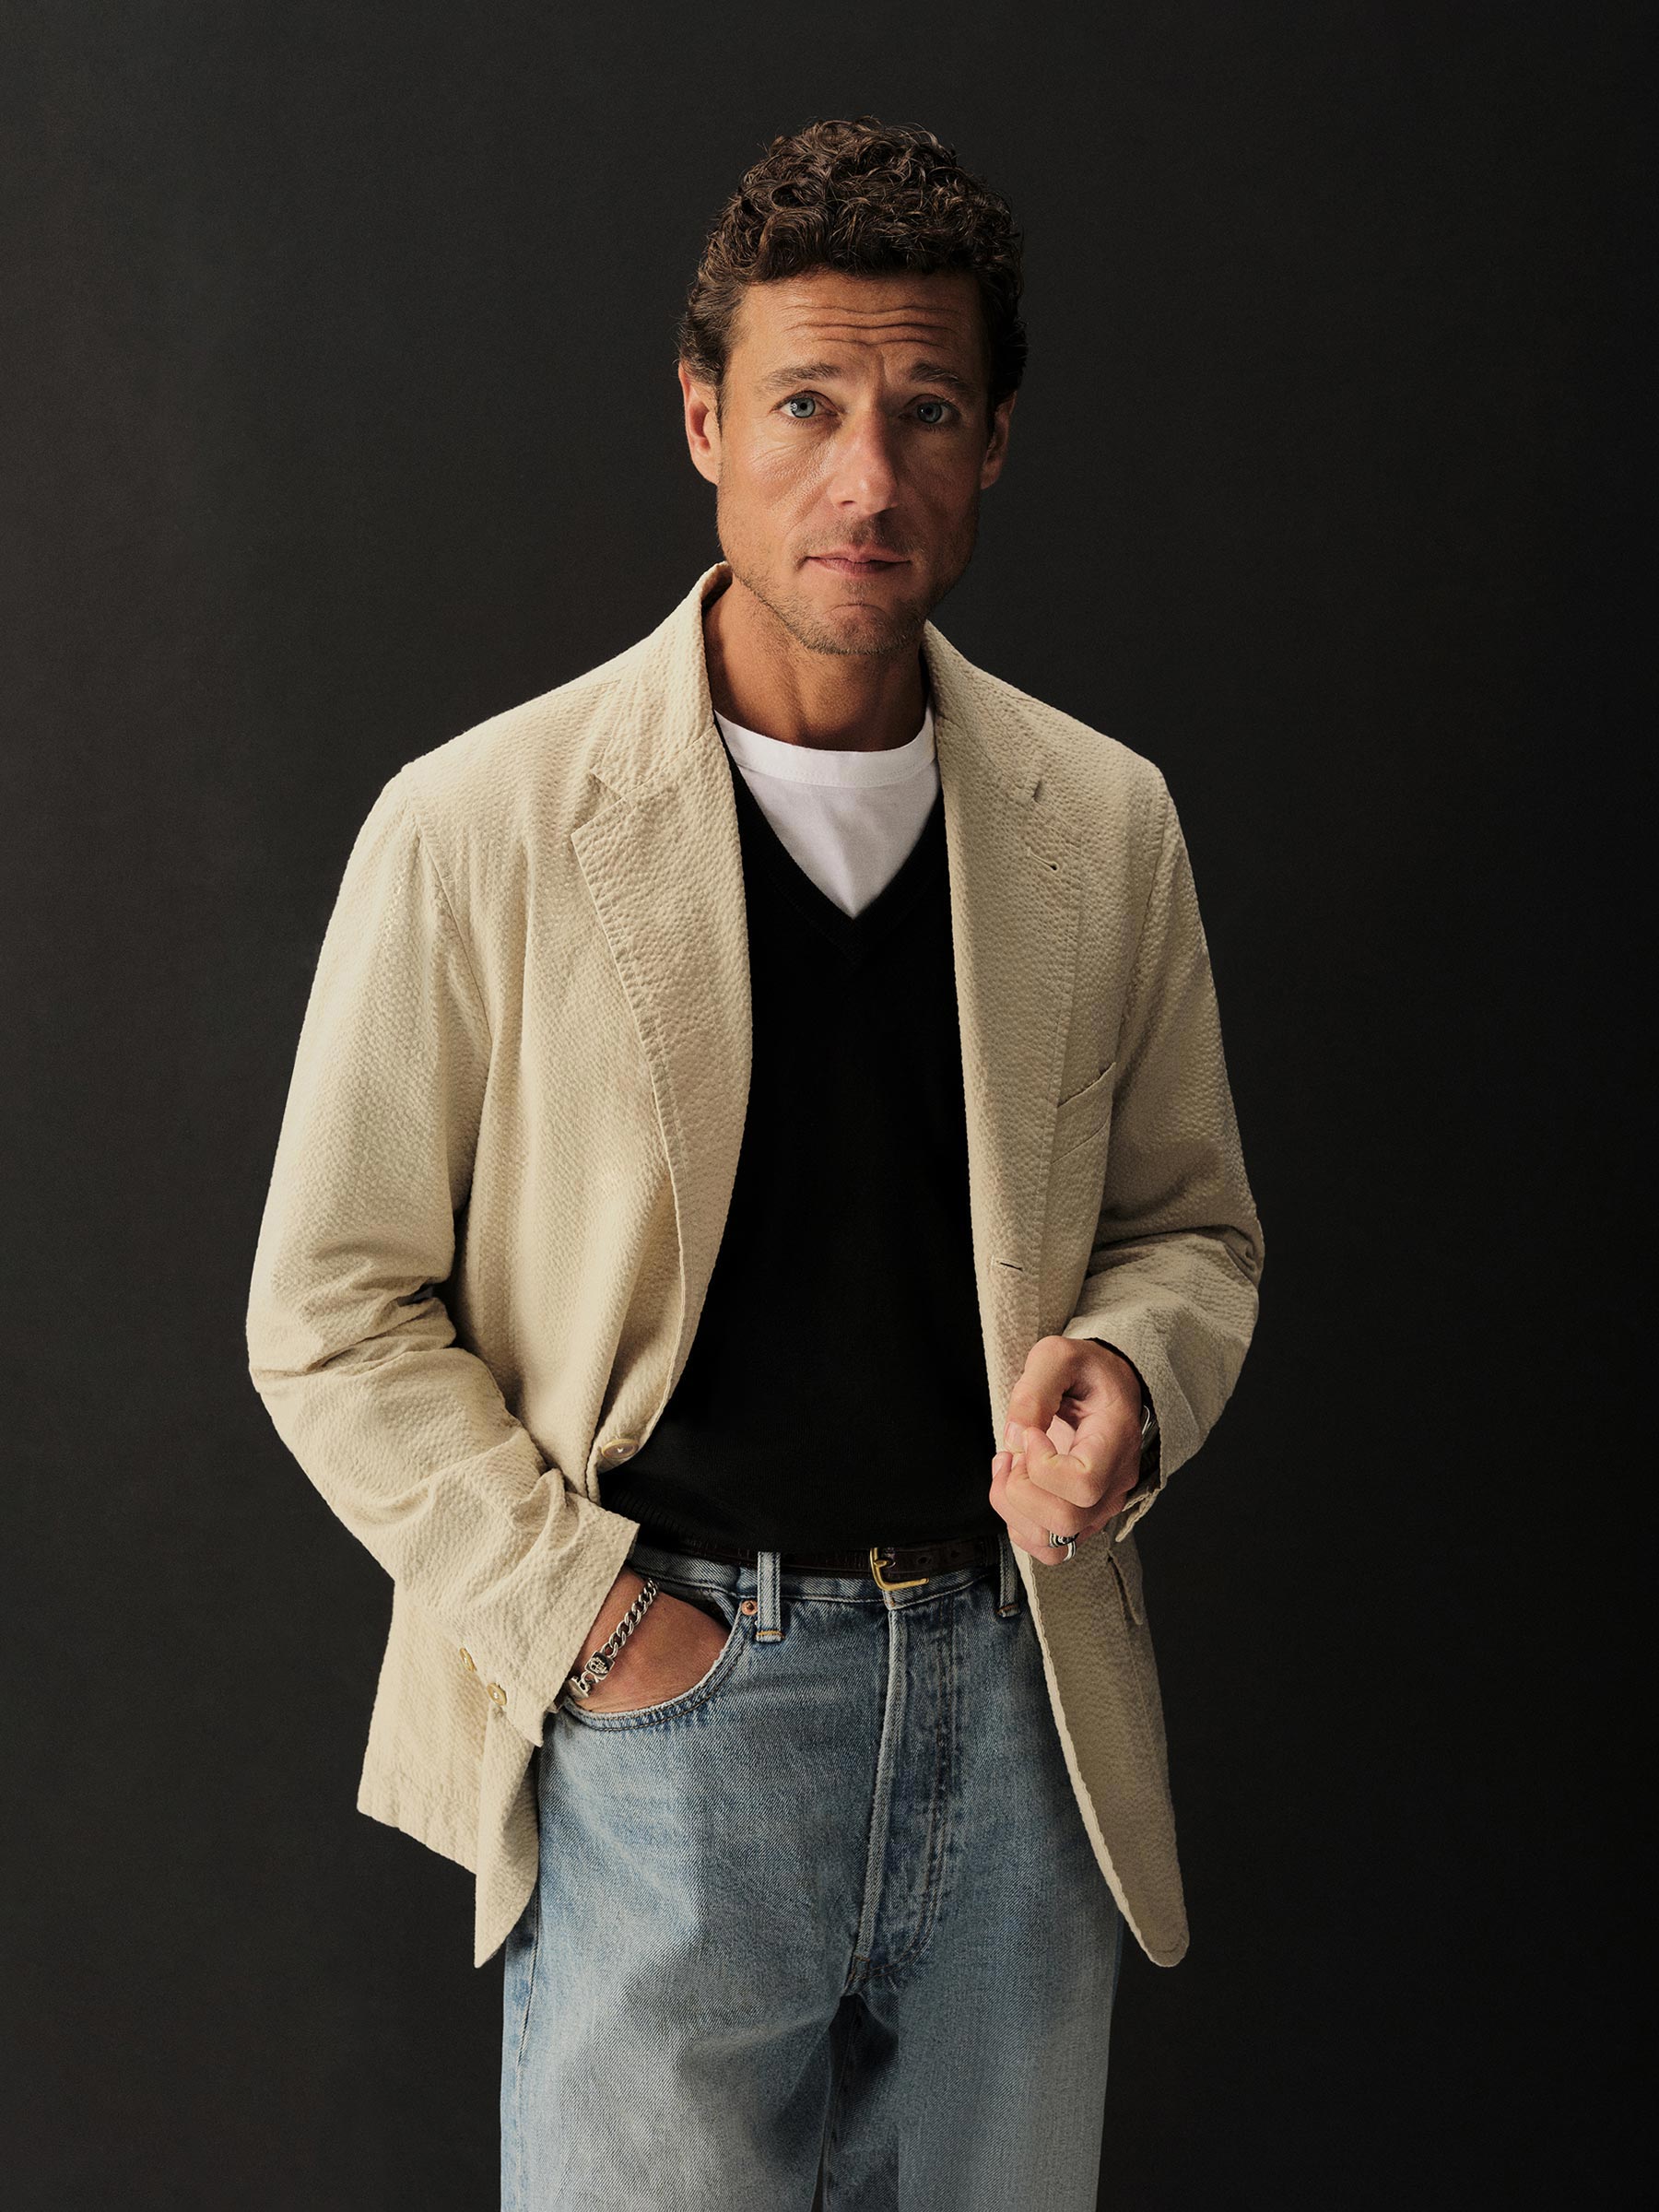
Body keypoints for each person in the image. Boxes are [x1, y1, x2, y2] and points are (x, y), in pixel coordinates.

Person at [246, 114, 1264, 2211]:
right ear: (706, 422)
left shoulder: (1106, 825)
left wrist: (1132, 1377)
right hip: (669, 1722)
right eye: (807, 405)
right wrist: (592, 1625)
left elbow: (1192, 1228)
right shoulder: (478, 826)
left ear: (995, 445)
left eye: (925, 411)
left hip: (1022, 1709)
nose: (864, 477)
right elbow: (328, 1313)